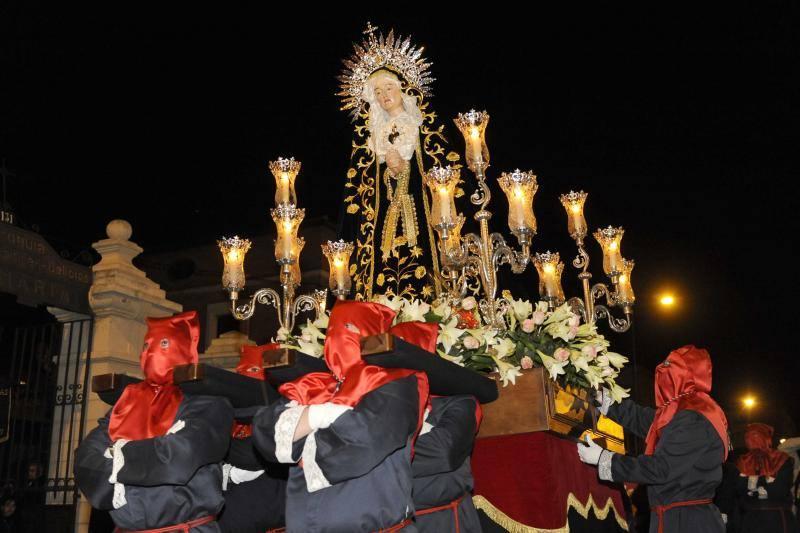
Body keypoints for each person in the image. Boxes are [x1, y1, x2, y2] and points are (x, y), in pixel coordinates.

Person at [251, 301, 431, 532]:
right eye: (332, 330)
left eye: (349, 328)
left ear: (370, 334)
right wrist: (320, 415)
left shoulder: (398, 382)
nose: (338, 338)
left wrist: (301, 429)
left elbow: (362, 441)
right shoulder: (315, 385)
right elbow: (265, 429)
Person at [74, 311, 233, 532]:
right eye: (147, 345)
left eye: (164, 343)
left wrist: (116, 455)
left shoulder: (208, 405)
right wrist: (122, 472)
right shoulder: (125, 404)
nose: (151, 352)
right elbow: (86, 457)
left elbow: (178, 456)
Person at [338, 25, 458, 301]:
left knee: (427, 271)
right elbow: (359, 186)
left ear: (402, 88)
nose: (383, 96)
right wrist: (385, 170)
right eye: (377, 92)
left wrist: (408, 167)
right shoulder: (370, 136)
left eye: (388, 87)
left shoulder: (425, 125)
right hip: (382, 225)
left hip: (424, 213)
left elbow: (443, 168)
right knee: (382, 276)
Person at [577, 345, 730, 533]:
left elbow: (660, 468)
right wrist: (606, 401)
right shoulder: (683, 411)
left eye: (669, 372)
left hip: (688, 522)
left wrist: (604, 459)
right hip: (673, 516)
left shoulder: (694, 417)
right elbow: (643, 420)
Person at [218, 343, 287, 533]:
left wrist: (212, 443)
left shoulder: (278, 413)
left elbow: (252, 454)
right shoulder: (233, 415)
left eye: (253, 370)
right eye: (240, 372)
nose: (244, 378)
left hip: (265, 515)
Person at [412, 394, 483, 532]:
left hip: (443, 521)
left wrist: (383, 454)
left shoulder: (461, 403)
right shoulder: (377, 405)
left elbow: (443, 452)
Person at [734, 423, 799, 532]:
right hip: (751, 520)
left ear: (765, 437)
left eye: (755, 435)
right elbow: (739, 488)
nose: (751, 440)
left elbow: (778, 490)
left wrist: (751, 485)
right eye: (748, 436)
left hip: (777, 519)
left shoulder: (781, 459)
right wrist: (765, 481)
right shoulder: (743, 461)